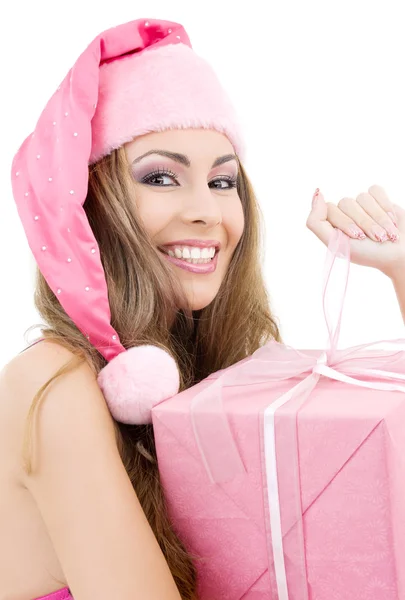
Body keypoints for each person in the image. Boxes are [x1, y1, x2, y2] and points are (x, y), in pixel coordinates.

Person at [1, 16, 405, 600]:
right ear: (88, 208)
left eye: (222, 183)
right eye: (161, 177)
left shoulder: (213, 370)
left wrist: (399, 270)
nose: (206, 212)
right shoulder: (54, 387)